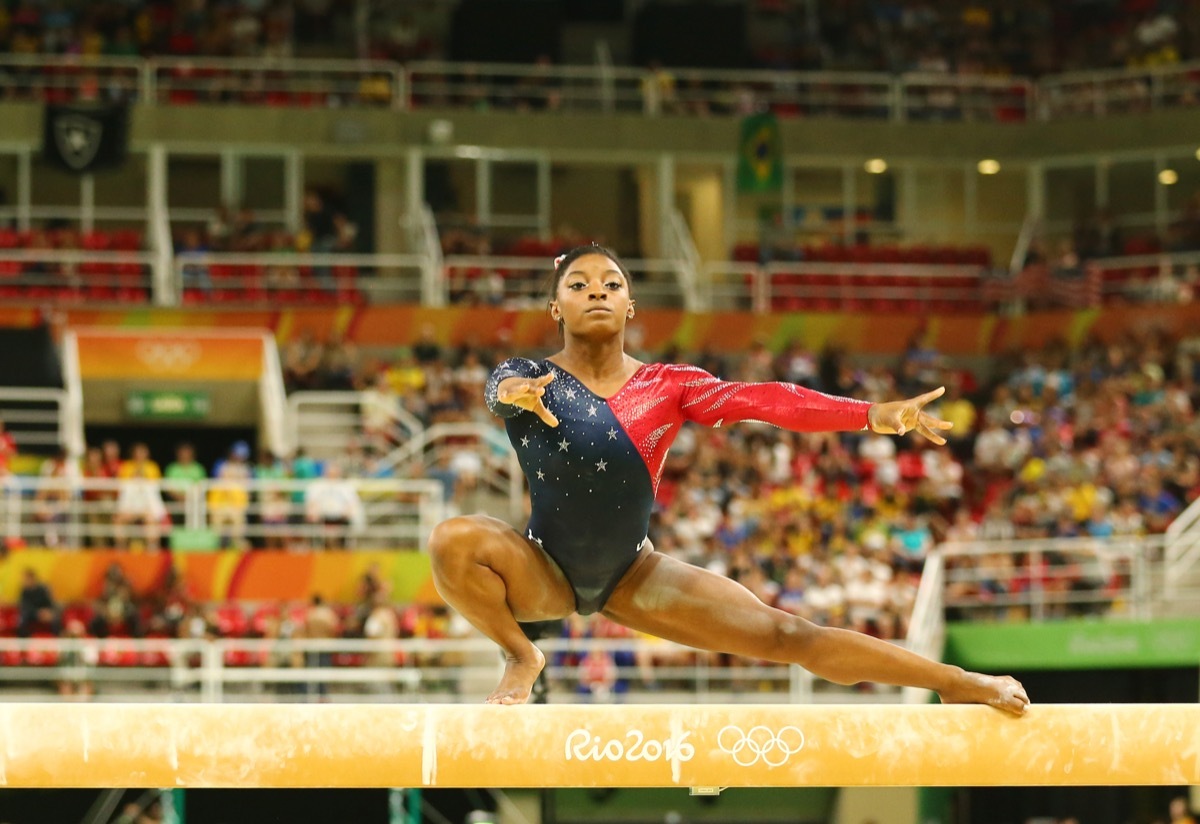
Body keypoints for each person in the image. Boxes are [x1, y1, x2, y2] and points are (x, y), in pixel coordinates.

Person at [428, 244, 1031, 711]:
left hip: (633, 574)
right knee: (453, 539)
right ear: (555, 306)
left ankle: (955, 681)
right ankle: (519, 652)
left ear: (631, 306)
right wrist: (517, 395)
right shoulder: (527, 372)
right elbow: (498, 391)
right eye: (579, 285)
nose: (597, 293)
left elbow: (768, 400)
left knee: (791, 636)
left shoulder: (669, 384)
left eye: (612, 285)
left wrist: (870, 414)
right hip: (543, 570)